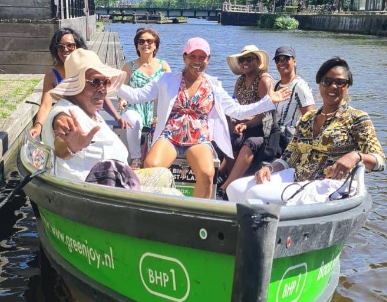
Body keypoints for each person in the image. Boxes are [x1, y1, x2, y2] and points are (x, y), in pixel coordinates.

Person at [117, 38, 291, 198]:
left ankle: (194, 217)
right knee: (151, 165)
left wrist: (269, 101)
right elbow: (138, 95)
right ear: (184, 57)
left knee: (208, 174)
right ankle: (162, 208)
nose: (197, 61)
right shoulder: (166, 79)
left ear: (208, 59)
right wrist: (112, 84)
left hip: (199, 139)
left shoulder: (213, 85)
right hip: (170, 136)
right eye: (193, 56)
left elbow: (237, 111)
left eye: (202, 57)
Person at [227, 57, 385, 203]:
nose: (333, 86)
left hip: (329, 184)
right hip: (298, 178)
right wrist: (270, 168)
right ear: (320, 84)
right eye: (327, 81)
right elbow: (289, 157)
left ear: (347, 87)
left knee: (257, 195)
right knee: (235, 188)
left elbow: (380, 160)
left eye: (340, 82)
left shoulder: (356, 118)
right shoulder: (307, 119)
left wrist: (356, 156)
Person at [42, 48, 128, 182]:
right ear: (76, 85)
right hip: (94, 191)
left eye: (105, 82)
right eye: (95, 82)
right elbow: (60, 147)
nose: (103, 89)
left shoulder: (88, 109)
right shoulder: (65, 114)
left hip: (117, 180)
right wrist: (70, 148)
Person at [30, 28, 128, 140]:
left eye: (70, 45)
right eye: (60, 47)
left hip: (91, 117)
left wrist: (117, 117)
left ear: (77, 46)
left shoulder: (88, 71)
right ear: (55, 50)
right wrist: (38, 125)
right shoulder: (52, 75)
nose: (65, 50)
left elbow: (101, 95)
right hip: (69, 121)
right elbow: (46, 104)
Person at [219, 45, 273, 192]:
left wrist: (246, 124)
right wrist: (233, 118)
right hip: (242, 123)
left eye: (249, 59)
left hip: (261, 128)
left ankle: (228, 185)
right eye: (242, 59)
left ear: (257, 61)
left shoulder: (263, 81)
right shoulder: (240, 81)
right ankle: (225, 174)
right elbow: (234, 103)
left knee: (246, 142)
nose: (245, 62)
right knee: (227, 136)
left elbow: (266, 112)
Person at [118, 27, 171, 168]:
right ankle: (136, 158)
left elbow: (170, 92)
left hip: (156, 110)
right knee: (133, 121)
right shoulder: (129, 66)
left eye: (149, 41)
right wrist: (122, 100)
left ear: (155, 45)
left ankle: (156, 160)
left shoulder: (163, 66)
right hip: (134, 107)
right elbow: (122, 90)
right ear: (137, 45)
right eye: (141, 41)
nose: (145, 44)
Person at [272, 45, 315, 152]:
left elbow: (311, 118)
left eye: (286, 59)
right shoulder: (275, 85)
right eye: (278, 60)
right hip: (274, 136)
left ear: (294, 61)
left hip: (288, 140)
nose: (281, 62)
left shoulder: (300, 86)